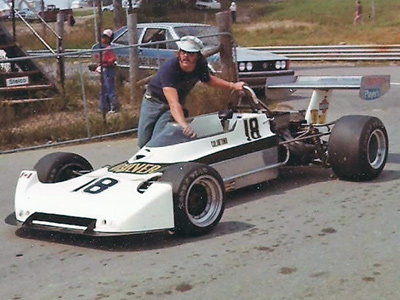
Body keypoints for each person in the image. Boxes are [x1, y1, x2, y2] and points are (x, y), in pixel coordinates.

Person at [137, 35, 246, 148]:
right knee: (143, 141)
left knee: (158, 139)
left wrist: (232, 86)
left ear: (197, 56)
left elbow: (208, 80)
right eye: (183, 52)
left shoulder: (200, 65)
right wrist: (184, 126)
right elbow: (173, 102)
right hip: (153, 101)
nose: (186, 56)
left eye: (190, 54)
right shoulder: (170, 68)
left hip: (171, 108)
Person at [97, 29, 120, 114]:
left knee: (110, 89)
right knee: (103, 89)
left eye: (104, 37)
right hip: (104, 70)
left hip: (108, 71)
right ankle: (104, 107)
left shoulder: (109, 49)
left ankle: (115, 107)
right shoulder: (104, 49)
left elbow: (112, 59)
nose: (102, 39)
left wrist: (105, 63)